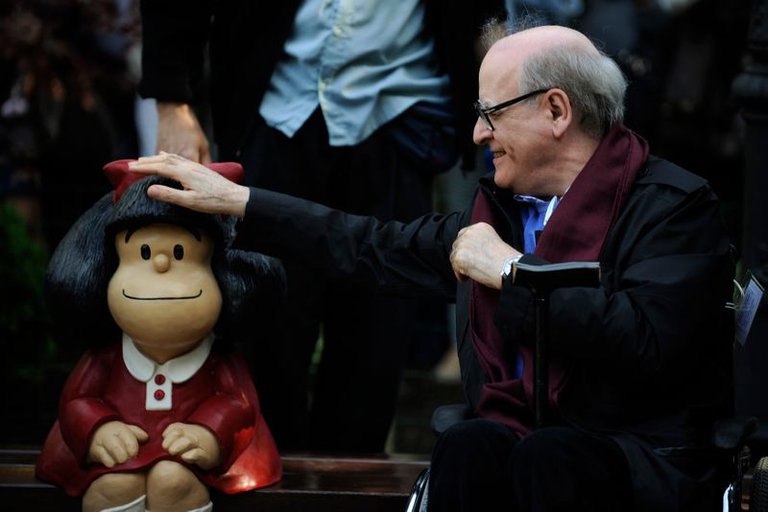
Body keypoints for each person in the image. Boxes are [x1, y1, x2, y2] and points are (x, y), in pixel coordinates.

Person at [129, 20, 735, 512]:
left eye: (491, 113)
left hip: (634, 458)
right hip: (522, 449)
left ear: (556, 111)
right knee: (472, 444)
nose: (476, 134)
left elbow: (650, 342)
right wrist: (241, 202)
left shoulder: (675, 206)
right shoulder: (496, 212)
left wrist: (516, 273)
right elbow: (365, 243)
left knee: (546, 456)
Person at [138, 0, 506, 453]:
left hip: (399, 118)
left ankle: (354, 487)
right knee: (265, 327)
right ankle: (264, 482)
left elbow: (487, 13)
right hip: (273, 111)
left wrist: (505, 104)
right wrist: (173, 101)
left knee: (376, 342)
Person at [35, 160, 283, 512]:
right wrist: (97, 429)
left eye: (181, 254)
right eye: (144, 253)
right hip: (121, 458)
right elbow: (77, 400)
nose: (162, 268)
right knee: (111, 487)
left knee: (173, 480)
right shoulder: (109, 356)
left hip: (195, 461)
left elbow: (238, 404)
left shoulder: (217, 359)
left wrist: (210, 432)